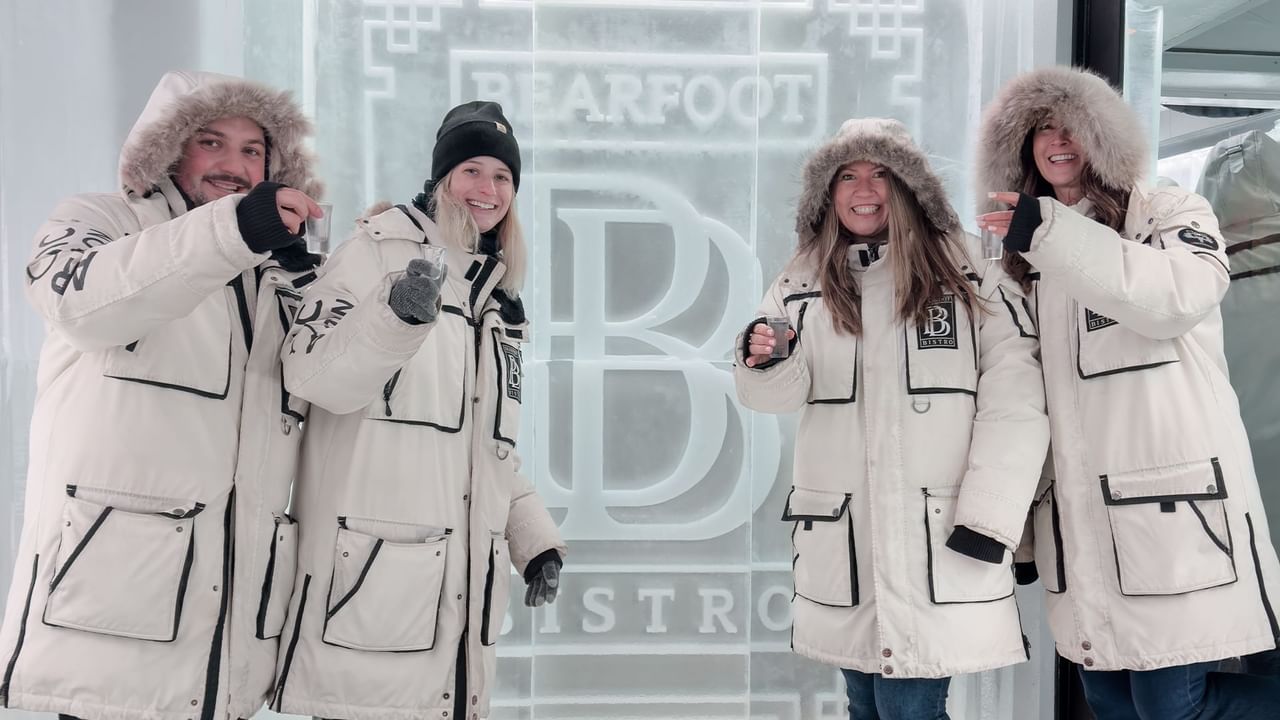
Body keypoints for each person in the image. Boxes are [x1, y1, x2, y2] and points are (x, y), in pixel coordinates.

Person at [0, 70, 324, 720]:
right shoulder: (98, 220)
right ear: (170, 146)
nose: (234, 165)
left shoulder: (279, 276)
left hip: (229, 644)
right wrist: (236, 231)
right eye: (212, 142)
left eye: (253, 151)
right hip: (111, 626)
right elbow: (82, 302)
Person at [976, 65, 1280, 720]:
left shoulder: (1167, 213)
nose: (1057, 142)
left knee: (1173, 708)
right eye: (1041, 130)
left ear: (1103, 137)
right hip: (1080, 529)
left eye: (1072, 127)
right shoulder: (1019, 262)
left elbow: (1176, 299)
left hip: (1173, 520)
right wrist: (1016, 528)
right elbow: (1018, 401)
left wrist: (1050, 232)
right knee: (1111, 706)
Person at [734, 118, 1048, 720]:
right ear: (828, 194)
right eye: (847, 175)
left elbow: (1018, 405)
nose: (864, 188)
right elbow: (773, 396)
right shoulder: (801, 285)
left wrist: (991, 517)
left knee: (908, 708)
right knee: (868, 706)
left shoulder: (973, 283)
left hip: (941, 540)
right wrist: (766, 357)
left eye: (881, 173)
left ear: (909, 187)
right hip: (846, 545)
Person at [271, 100, 565, 720]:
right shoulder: (375, 252)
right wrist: (395, 315)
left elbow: (485, 452)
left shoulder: (497, 297)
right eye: (472, 171)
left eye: (503, 177)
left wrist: (533, 539)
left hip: (456, 611)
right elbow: (308, 372)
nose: (487, 190)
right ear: (441, 180)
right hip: (369, 592)